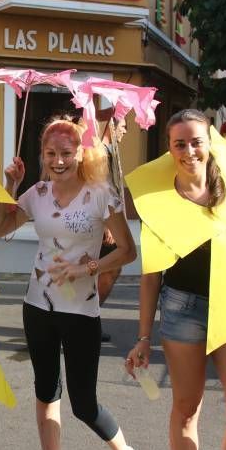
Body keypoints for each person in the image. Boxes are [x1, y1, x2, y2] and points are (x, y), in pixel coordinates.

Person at [0, 115, 139, 450]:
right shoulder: (36, 193)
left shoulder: (101, 193)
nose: (58, 161)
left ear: (80, 153)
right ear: (41, 155)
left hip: (82, 311)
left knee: (84, 404)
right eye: (51, 153)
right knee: (45, 392)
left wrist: (86, 267)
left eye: (66, 153)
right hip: (37, 306)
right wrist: (9, 186)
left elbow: (127, 251)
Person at [127, 109, 226, 450]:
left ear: (210, 143)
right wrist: (143, 336)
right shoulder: (158, 202)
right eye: (180, 143)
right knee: (186, 409)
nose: (189, 150)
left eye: (196, 141)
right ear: (169, 148)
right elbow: (151, 275)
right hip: (182, 309)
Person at [98, 116, 129, 342]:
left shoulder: (111, 149)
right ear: (111, 125)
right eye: (123, 125)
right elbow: (98, 187)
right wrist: (107, 224)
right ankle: (86, 318)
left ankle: (88, 317)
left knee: (109, 270)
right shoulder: (99, 151)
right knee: (108, 270)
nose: (125, 131)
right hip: (102, 221)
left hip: (111, 218)